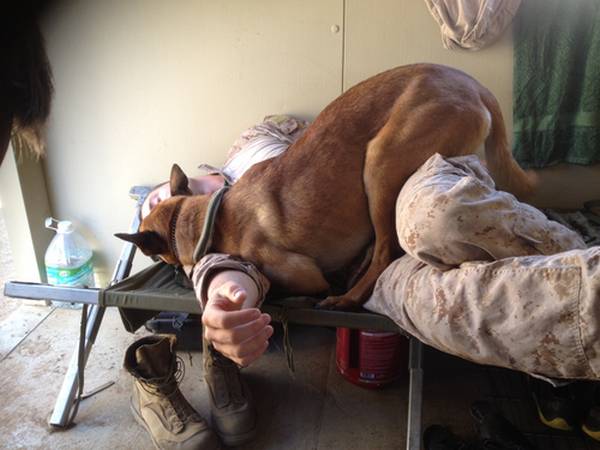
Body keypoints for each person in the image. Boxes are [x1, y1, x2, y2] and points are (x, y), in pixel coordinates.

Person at [130, 116, 600, 448]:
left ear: (188, 181)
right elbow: (225, 270)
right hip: (371, 276)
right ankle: (564, 361)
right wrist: (223, 300)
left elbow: (343, 128)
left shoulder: (253, 142)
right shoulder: (201, 245)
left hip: (405, 179)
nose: (160, 206)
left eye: (158, 198)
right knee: (448, 310)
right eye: (151, 208)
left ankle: (566, 261)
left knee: (440, 219)